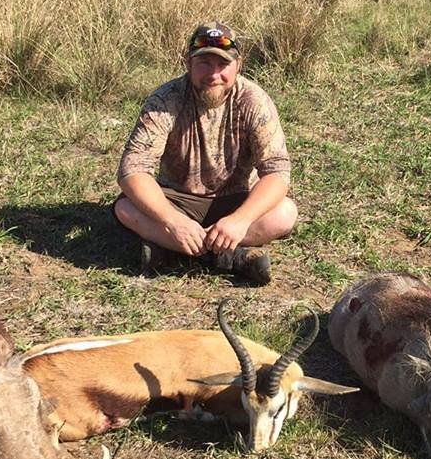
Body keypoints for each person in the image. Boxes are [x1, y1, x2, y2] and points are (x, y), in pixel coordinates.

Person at [113, 22, 297, 285]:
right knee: (126, 208)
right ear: (188, 63)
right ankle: (228, 256)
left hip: (237, 199)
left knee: (285, 213)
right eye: (204, 63)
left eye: (222, 65)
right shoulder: (166, 100)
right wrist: (173, 220)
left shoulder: (254, 100)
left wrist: (239, 220)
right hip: (178, 199)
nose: (214, 74)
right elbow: (133, 169)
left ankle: (173, 251)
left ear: (238, 65)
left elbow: (277, 172)